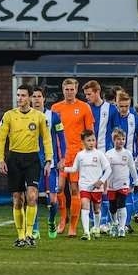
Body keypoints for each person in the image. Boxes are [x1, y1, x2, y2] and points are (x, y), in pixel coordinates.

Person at [0, 84, 52, 248]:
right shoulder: (9, 116)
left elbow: (46, 138)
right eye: (18, 95)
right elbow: (1, 138)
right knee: (18, 200)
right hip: (14, 158)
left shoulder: (39, 117)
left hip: (32, 159)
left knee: (32, 196)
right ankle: (20, 236)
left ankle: (29, 234)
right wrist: (1, 159)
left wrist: (49, 159)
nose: (19, 98)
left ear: (29, 97)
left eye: (22, 95)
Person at [50, 78, 94, 236]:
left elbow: (90, 132)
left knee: (75, 189)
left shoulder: (84, 107)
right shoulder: (55, 108)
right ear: (63, 90)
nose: (69, 92)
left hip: (78, 155)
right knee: (59, 188)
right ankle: (63, 219)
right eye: (66, 89)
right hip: (62, 155)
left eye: (72, 89)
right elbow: (52, 133)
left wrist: (89, 153)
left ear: (76, 90)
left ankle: (73, 227)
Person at [30, 86, 67, 239]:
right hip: (31, 162)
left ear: (44, 99)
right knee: (32, 197)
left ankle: (52, 220)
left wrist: (63, 158)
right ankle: (35, 228)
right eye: (34, 96)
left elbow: (61, 139)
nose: (36, 99)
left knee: (52, 199)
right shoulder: (26, 116)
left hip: (50, 164)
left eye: (39, 96)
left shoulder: (54, 116)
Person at [63, 130, 111, 240]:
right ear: (83, 142)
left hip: (97, 187)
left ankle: (96, 228)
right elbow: (75, 168)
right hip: (84, 185)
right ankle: (86, 232)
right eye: (89, 140)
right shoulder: (80, 155)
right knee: (84, 205)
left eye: (93, 140)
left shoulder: (99, 154)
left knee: (96, 209)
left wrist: (101, 181)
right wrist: (64, 168)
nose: (91, 142)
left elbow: (108, 169)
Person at [105, 129, 138, 238]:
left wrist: (136, 181)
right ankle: (115, 223)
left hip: (123, 183)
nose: (121, 141)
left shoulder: (127, 154)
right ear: (114, 140)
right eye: (118, 139)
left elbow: (132, 167)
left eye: (123, 139)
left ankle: (121, 228)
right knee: (112, 207)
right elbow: (105, 170)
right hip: (111, 184)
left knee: (121, 204)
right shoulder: (108, 154)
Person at [83, 80, 120, 152]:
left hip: (105, 151)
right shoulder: (85, 107)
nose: (86, 97)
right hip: (87, 150)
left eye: (89, 94)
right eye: (86, 94)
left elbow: (116, 130)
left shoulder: (112, 109)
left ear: (97, 92)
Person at [116, 92, 138, 157]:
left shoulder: (135, 118)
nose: (124, 109)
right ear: (117, 104)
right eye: (121, 106)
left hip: (131, 157)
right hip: (114, 157)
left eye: (126, 106)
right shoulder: (112, 116)